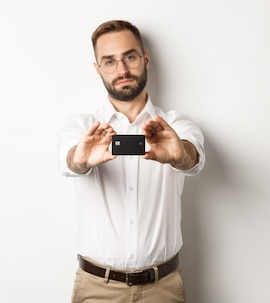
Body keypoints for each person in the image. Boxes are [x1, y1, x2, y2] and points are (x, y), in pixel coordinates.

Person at [57, 20, 205, 303]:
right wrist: (80, 159)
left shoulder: (175, 124)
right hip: (96, 289)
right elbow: (69, 161)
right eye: (109, 62)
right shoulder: (81, 126)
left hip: (163, 288)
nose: (122, 70)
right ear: (97, 69)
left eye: (130, 57)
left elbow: (193, 157)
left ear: (145, 58)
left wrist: (180, 155)